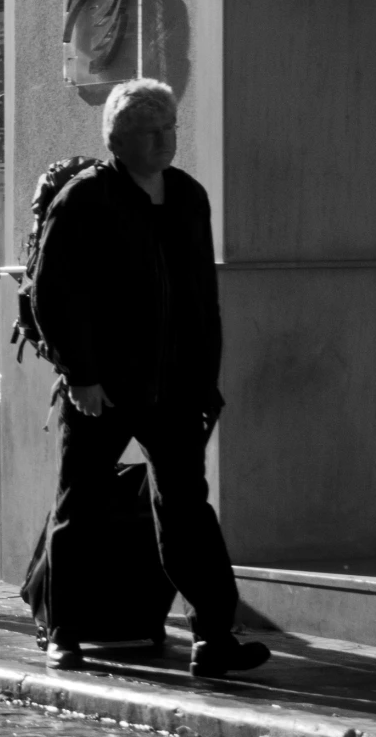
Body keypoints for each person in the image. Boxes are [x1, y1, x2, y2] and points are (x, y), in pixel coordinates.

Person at [30, 78, 268, 678]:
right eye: (150, 131)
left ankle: (214, 636)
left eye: (170, 129)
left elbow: (202, 300)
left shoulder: (188, 196)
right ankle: (65, 631)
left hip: (176, 390)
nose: (164, 141)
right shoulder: (85, 199)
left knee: (188, 509)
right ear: (118, 139)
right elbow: (53, 296)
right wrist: (81, 375)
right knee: (78, 509)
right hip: (102, 389)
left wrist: (206, 385)